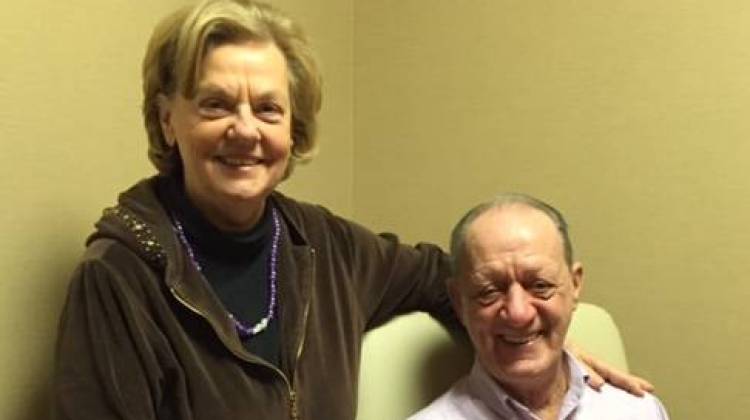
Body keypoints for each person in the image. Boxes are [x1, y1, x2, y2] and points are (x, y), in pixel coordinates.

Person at [52, 1, 651, 419]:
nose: (244, 130)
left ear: (294, 129)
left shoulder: (323, 247)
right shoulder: (118, 280)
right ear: (167, 119)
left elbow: (458, 281)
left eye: (268, 109)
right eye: (214, 105)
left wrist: (545, 349)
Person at [409, 193, 669, 420]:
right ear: (458, 301)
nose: (519, 314)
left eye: (540, 286)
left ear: (574, 285)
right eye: (489, 291)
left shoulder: (639, 412)